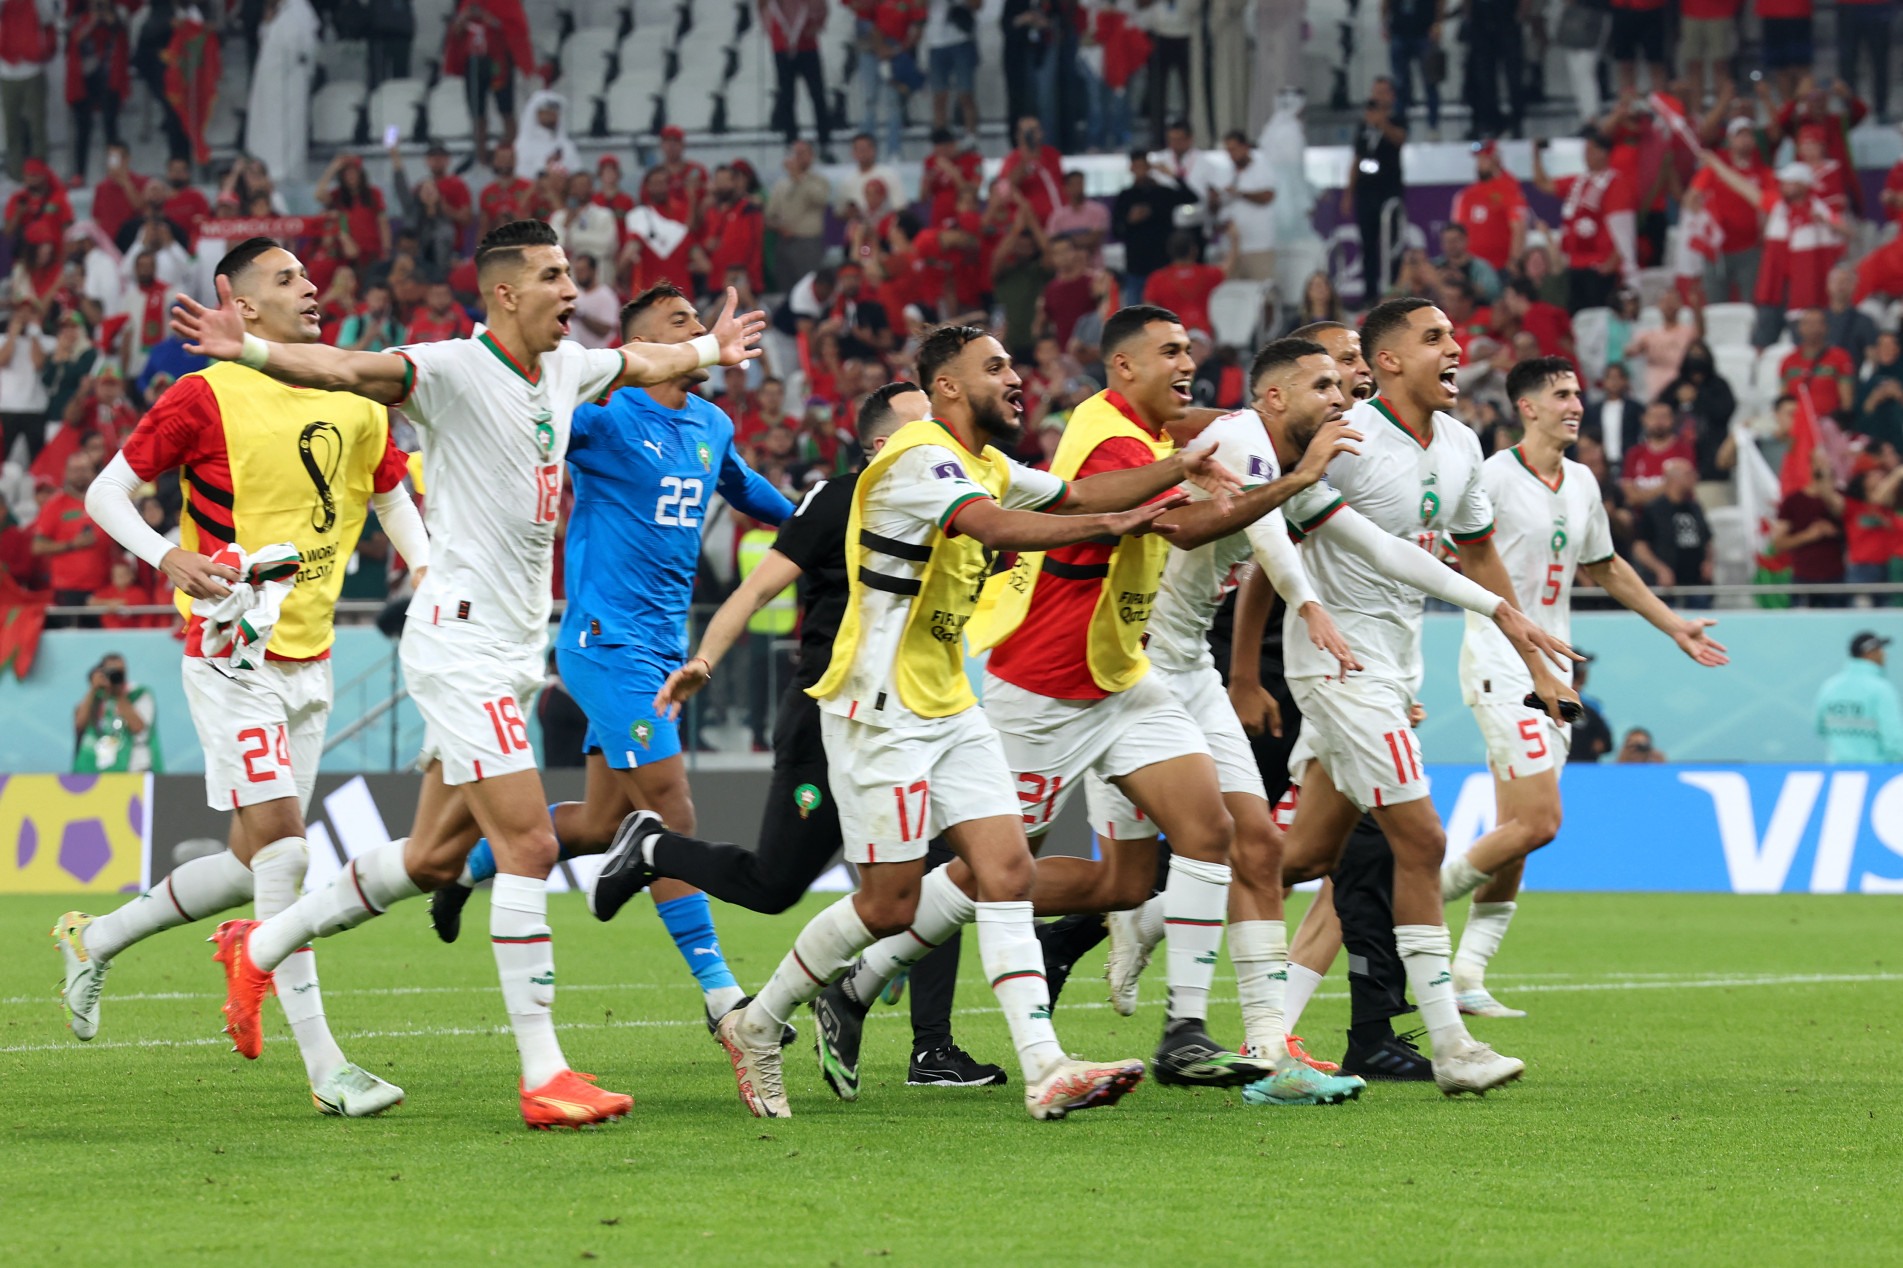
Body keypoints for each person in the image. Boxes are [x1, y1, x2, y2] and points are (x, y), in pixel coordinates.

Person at [169, 220, 766, 1129]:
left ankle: (261, 947)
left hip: (511, 651)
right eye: (553, 276)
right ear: (504, 292)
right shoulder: (447, 367)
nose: (572, 290)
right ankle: (543, 1074)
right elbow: (348, 370)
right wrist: (249, 348)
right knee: (526, 847)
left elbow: (640, 364)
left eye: (572, 275)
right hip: (458, 644)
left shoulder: (567, 372)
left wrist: (708, 348)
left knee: (434, 857)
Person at [602, 322, 1233, 1120]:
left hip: (949, 705)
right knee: (889, 905)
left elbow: (1071, 493)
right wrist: (1116, 528)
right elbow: (998, 526)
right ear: (945, 387)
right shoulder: (921, 459)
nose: (1016, 378)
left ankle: (1045, 1066)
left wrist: (1175, 467)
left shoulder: (986, 462)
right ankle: (758, 1022)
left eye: (1012, 364)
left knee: (1004, 873)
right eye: (995, 367)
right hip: (876, 714)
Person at [52, 236, 429, 1118]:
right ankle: (329, 1069)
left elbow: (388, 495)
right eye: (286, 278)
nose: (311, 288)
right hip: (230, 653)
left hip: (312, 658)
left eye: (309, 275)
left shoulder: (354, 391)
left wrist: (432, 574)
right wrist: (166, 556)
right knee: (290, 851)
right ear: (241, 303)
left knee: (250, 860)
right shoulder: (205, 394)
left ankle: (94, 937)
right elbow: (105, 493)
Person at [423, 282, 789, 1043]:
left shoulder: (712, 424)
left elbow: (749, 492)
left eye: (696, 318)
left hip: (662, 650)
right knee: (671, 808)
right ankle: (723, 998)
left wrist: (824, 522)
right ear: (646, 346)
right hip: (603, 643)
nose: (698, 332)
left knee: (597, 823)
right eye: (680, 324)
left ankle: (466, 872)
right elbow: (527, 418)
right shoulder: (601, 415)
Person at [640, 382, 1010, 1090]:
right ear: (880, 445)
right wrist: (707, 659)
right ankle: (651, 848)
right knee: (777, 881)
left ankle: (928, 1045)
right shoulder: (837, 499)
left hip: (916, 715)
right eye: (919, 427)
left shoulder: (958, 495)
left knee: (948, 862)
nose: (935, 438)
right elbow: (753, 591)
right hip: (829, 711)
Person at [1266, 297, 1583, 1095]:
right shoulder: (1342, 441)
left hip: (1393, 670)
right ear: (1386, 362)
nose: (1456, 348)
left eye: (1453, 336)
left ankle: (1169, 921)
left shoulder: (1460, 443)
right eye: (1434, 337)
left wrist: (1534, 663)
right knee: (1421, 840)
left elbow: (1476, 553)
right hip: (1336, 671)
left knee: (1306, 858)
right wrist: (1243, 673)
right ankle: (1450, 1045)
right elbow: (1288, 549)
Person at [1439, 357, 1727, 1016]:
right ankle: (1412, 912)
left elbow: (1606, 567)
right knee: (1539, 821)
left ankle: (1466, 975)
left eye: (1578, 393)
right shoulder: (1490, 478)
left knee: (1519, 829)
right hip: (1502, 663)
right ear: (1527, 407)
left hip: (1556, 672)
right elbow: (1462, 560)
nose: (1575, 404)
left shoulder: (1581, 481)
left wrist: (1673, 626)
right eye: (1560, 395)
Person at [1532, 130, 1638, 311]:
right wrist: (1536, 154)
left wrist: (1613, 261)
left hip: (1598, 266)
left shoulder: (1615, 183)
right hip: (1575, 265)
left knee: (1599, 315)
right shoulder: (1579, 182)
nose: (1585, 154)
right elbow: (1543, 184)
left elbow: (1623, 226)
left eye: (1590, 150)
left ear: (1603, 153)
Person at [1343, 77, 1408, 296]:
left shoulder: (1397, 118)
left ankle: (1394, 292)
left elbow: (1400, 139)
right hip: (1365, 189)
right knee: (1367, 244)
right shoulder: (1363, 123)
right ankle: (1370, 295)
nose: (1378, 96)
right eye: (1375, 91)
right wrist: (1348, 193)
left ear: (1391, 95)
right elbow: (1357, 157)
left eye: (1383, 91)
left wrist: (1382, 123)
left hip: (1388, 189)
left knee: (1392, 244)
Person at [32, 450, 111, 622]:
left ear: (93, 471)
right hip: (68, 589)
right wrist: (72, 544)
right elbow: (37, 546)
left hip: (104, 586)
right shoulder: (55, 505)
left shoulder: (105, 501)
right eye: (75, 470)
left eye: (84, 469)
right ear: (66, 473)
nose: (79, 475)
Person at [245, 0, 318, 182]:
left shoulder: (300, 8)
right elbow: (266, 39)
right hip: (268, 81)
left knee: (287, 129)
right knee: (265, 124)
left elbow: (305, 47)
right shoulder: (275, 11)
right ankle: (262, 170)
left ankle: (286, 173)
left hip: (290, 82)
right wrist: (268, 22)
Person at [1113, 149, 1197, 301]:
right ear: (1131, 169)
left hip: (1162, 263)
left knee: (1167, 313)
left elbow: (1191, 198)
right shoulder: (1125, 197)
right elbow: (1116, 230)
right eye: (1136, 167)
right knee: (1135, 317)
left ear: (1149, 168)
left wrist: (1172, 176)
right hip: (1136, 266)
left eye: (1143, 166)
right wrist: (1130, 220)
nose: (1140, 171)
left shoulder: (1163, 194)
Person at [1632, 459, 1713, 602]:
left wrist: (1708, 561)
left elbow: (1707, 539)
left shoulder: (1694, 508)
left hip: (1696, 583)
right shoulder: (1654, 510)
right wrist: (1660, 569)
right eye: (1689, 474)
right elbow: (1640, 548)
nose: (1695, 477)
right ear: (1674, 478)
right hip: (1666, 588)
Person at [1770, 450, 1847, 603]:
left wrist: (1825, 484)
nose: (1823, 466)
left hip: (1835, 576)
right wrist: (1809, 535)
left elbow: (1839, 509)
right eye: (1818, 462)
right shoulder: (1793, 501)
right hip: (1803, 576)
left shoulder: (1842, 496)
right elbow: (1778, 542)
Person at [1815, 632, 1903, 761]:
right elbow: (1893, 738)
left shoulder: (1829, 686)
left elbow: (1819, 728)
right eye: (1879, 650)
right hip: (1875, 773)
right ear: (1869, 653)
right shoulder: (1881, 689)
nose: (1884, 654)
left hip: (1837, 773)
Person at [71, 652, 159, 773]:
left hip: (134, 766)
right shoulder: (97, 695)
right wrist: (93, 689)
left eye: (121, 671)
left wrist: (119, 695)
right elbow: (80, 724)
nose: (116, 675)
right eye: (112, 671)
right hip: (96, 767)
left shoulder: (138, 694)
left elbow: (138, 727)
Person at [1450, 140, 1528, 274]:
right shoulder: (1466, 195)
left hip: (1500, 266)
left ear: (1495, 159)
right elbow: (1456, 230)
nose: (1480, 163)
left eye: (1484, 158)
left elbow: (1519, 228)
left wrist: (1515, 260)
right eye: (1478, 159)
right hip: (1469, 266)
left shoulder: (1509, 189)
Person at [763, 0, 831, 150]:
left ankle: (825, 141)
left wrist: (819, 24)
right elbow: (762, 6)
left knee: (817, 95)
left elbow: (822, 8)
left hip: (808, 47)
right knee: (787, 96)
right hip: (781, 47)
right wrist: (768, 27)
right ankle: (791, 141)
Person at [766, 140, 831, 292]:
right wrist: (778, 227)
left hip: (808, 243)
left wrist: (799, 177)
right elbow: (770, 214)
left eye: (802, 153)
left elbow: (821, 199)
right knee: (785, 286)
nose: (798, 157)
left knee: (809, 287)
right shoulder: (781, 184)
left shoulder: (819, 180)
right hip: (784, 241)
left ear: (811, 156)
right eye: (795, 153)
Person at [1217, 130, 1276, 283]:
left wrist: (1240, 193)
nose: (1231, 154)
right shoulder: (1225, 172)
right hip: (1231, 246)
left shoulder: (1262, 167)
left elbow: (1267, 196)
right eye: (1228, 150)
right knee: (1232, 292)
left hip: (1258, 244)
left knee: (1262, 292)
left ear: (1246, 147)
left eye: (1234, 149)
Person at [1142, 230, 1226, 337]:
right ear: (1193, 250)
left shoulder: (1157, 278)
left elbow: (1149, 311)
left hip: (1172, 336)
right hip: (1202, 334)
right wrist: (1235, 241)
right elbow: (1227, 269)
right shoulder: (1206, 273)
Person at [514, 89, 581, 184]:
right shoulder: (523, 146)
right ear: (536, 114)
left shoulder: (566, 145)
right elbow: (521, 178)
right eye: (547, 112)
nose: (552, 115)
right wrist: (546, 166)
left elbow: (576, 174)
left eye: (555, 112)